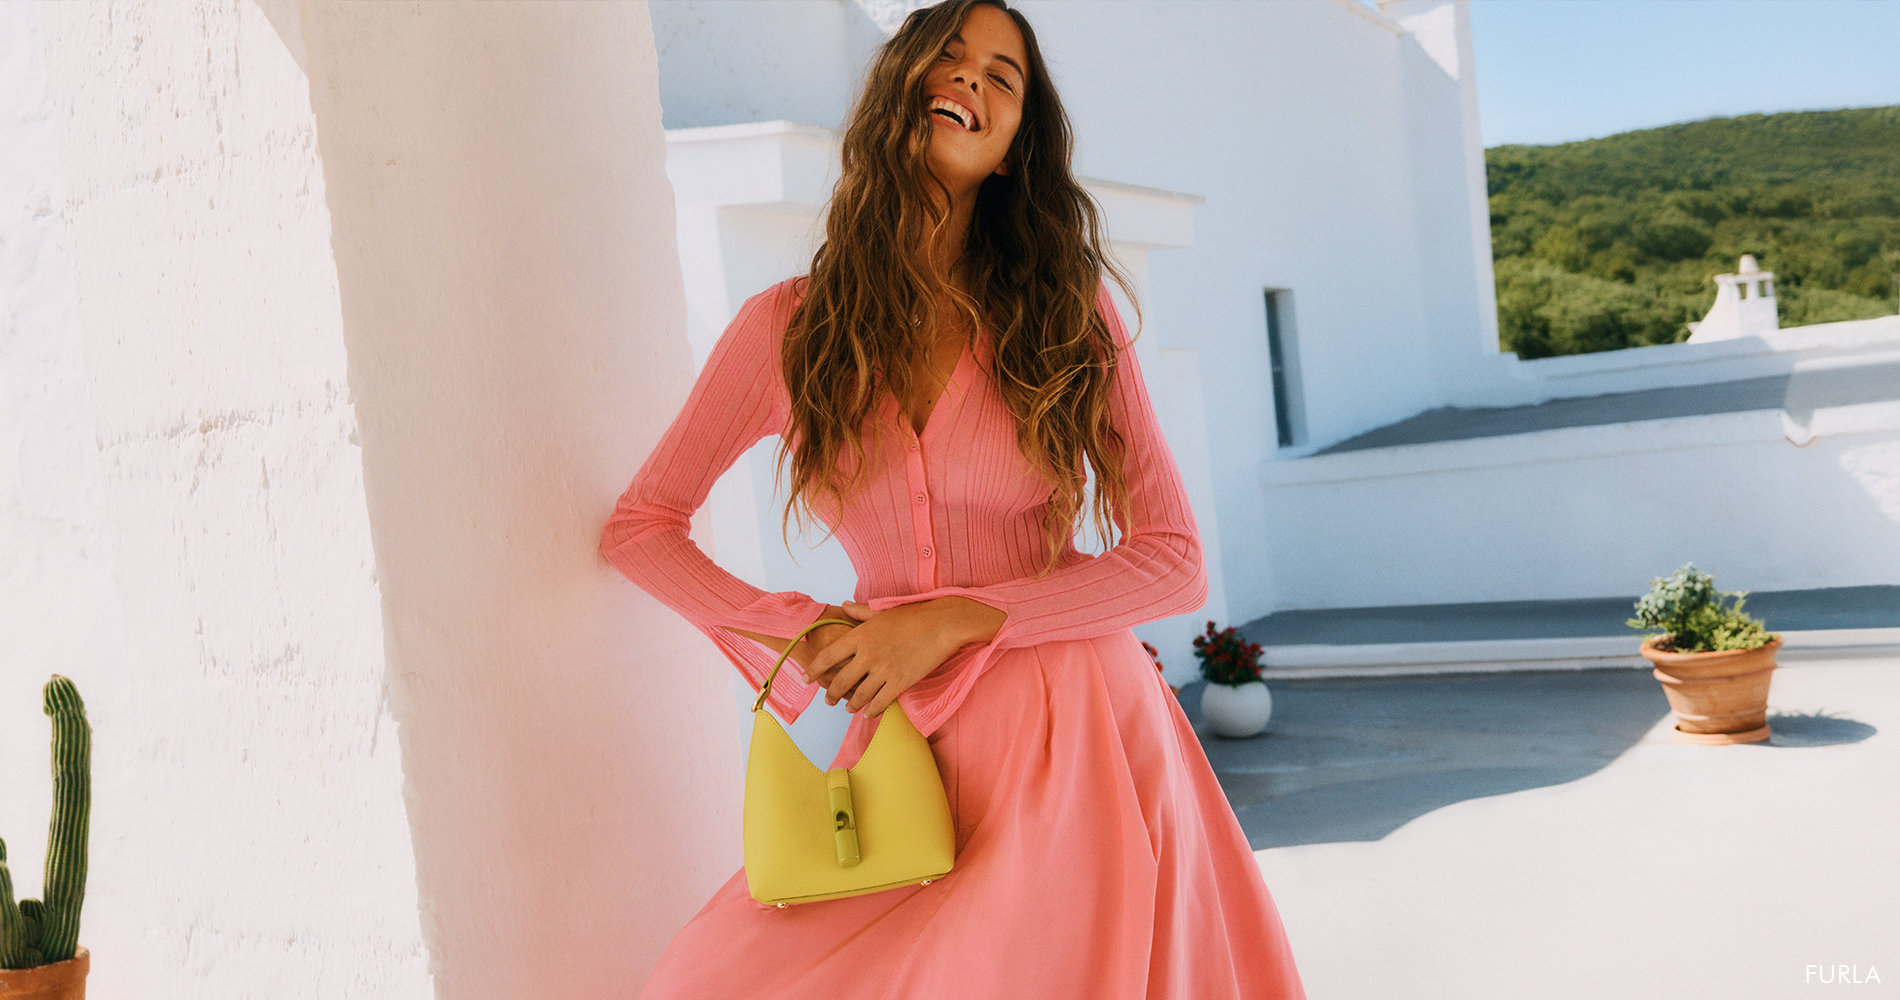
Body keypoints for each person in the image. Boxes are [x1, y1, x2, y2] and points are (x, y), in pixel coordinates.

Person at [601, 1, 1305, 996]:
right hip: (883, 738)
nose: (971, 77)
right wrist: (794, 630)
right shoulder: (785, 332)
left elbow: (1172, 555)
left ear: (1015, 149)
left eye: (1002, 76)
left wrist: (959, 618)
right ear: (899, 85)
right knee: (709, 976)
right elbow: (642, 527)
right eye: (950, 55)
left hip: (1074, 737)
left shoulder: (1069, 317)